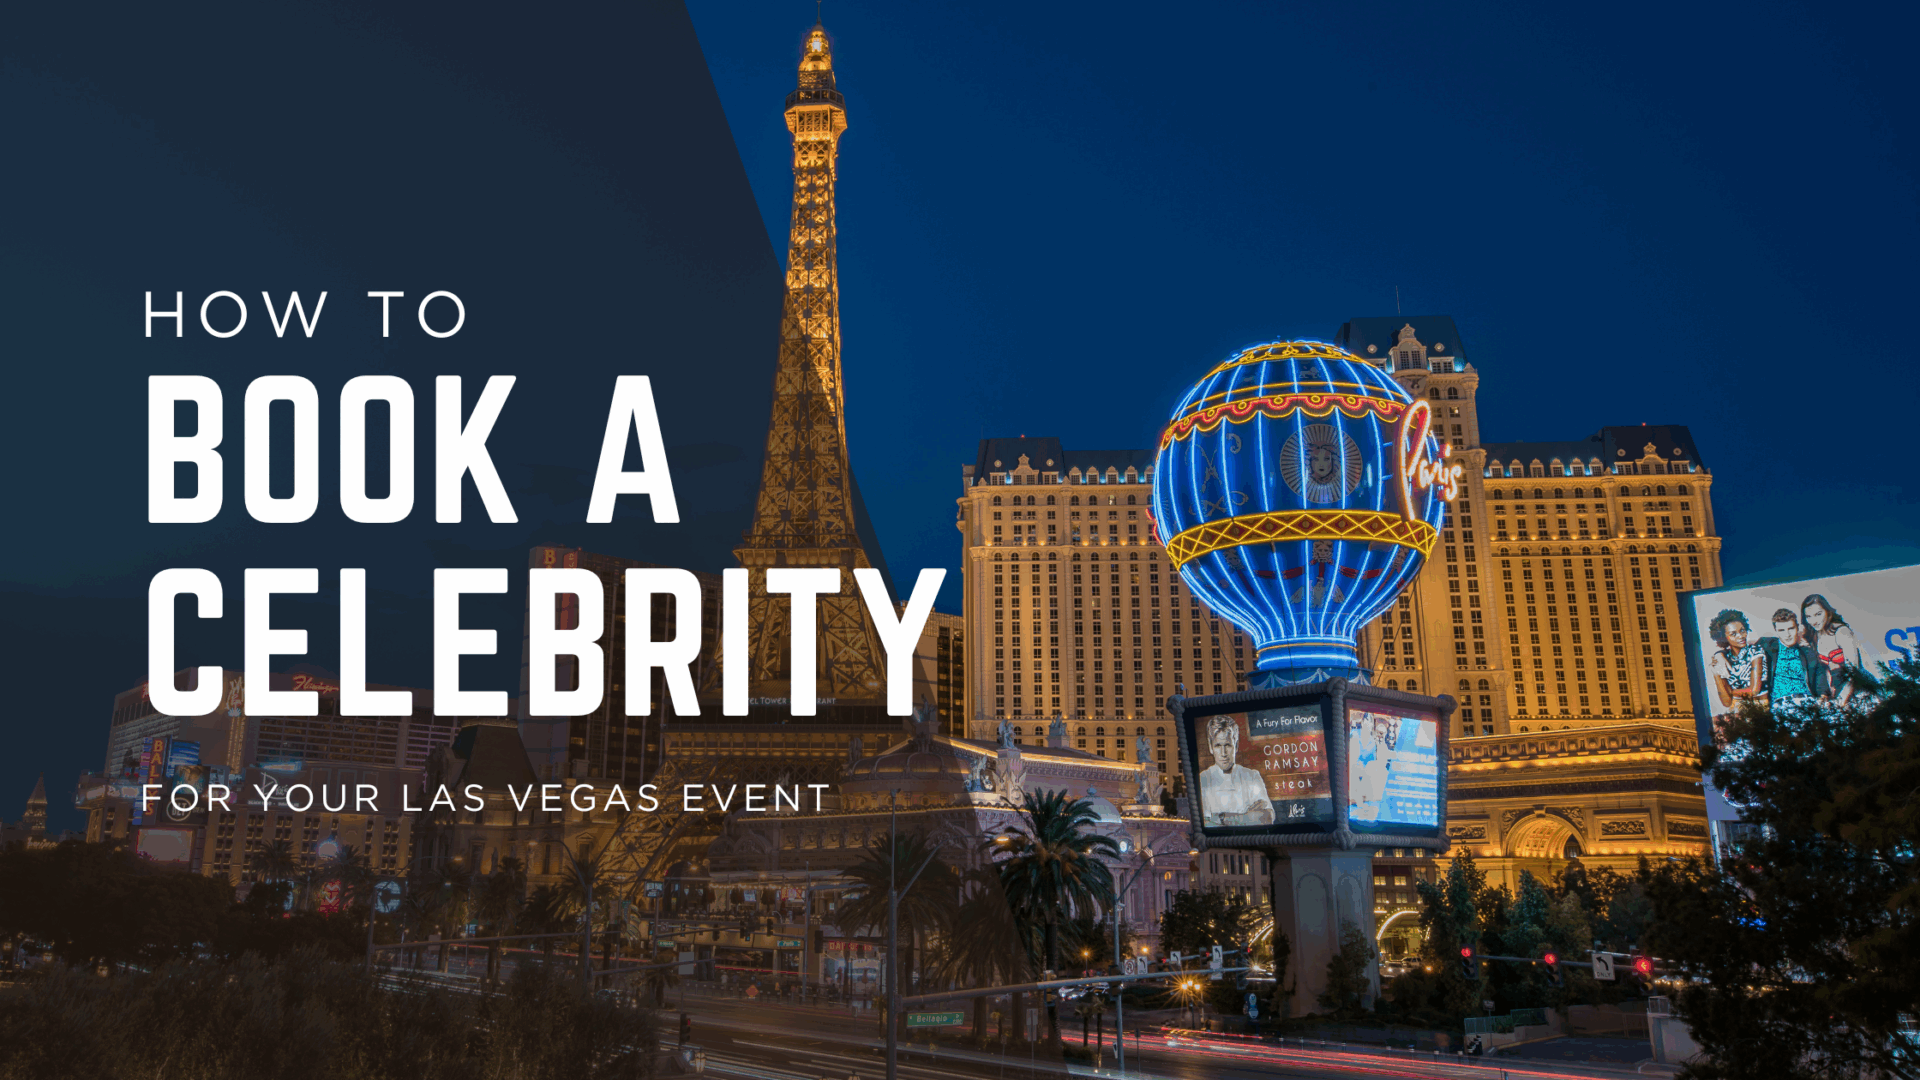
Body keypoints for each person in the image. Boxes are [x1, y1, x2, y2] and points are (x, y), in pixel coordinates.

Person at [1197, 715, 1273, 826]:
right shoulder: (1203, 779)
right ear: (1210, 747)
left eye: (1227, 745)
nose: (1223, 753)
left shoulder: (1252, 776)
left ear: (1236, 746)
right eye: (1218, 745)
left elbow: (1267, 818)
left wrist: (1220, 818)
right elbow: (1204, 825)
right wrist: (1247, 817)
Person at [1802, 594, 1873, 707]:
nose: (1814, 621)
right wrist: (1826, 695)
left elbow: (1854, 672)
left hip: (1857, 691)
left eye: (1818, 614)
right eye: (1809, 616)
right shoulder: (1814, 637)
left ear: (1828, 612)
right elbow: (1824, 672)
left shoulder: (1841, 632)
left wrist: (1842, 700)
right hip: (1836, 693)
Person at [1762, 608, 1827, 706]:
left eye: (1791, 629)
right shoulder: (1767, 646)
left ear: (1797, 628)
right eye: (1781, 630)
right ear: (1776, 631)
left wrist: (1822, 699)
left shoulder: (1808, 653)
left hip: (1806, 702)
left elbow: (1821, 683)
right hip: (1780, 704)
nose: (1787, 635)